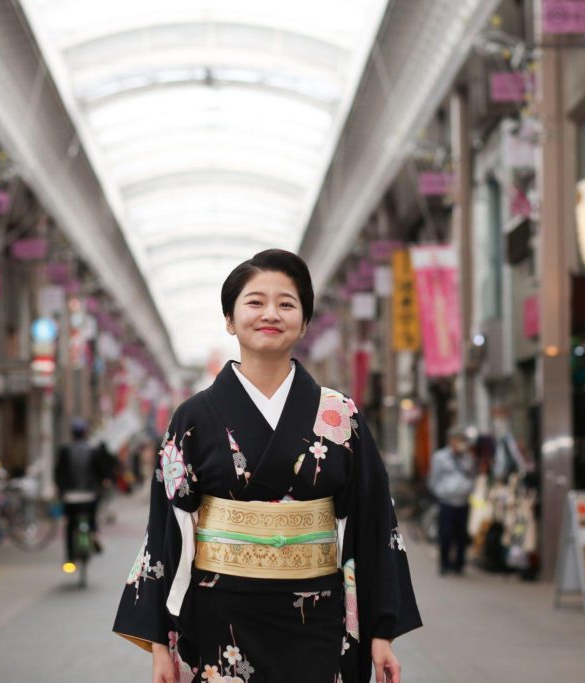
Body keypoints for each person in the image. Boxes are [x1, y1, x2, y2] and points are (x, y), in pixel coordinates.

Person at [113, 249, 421, 683]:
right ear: (229, 318)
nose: (270, 314)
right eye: (255, 302)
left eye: (287, 303)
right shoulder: (194, 417)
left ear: (305, 321)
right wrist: (161, 644)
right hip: (222, 618)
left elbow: (374, 522)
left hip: (318, 618)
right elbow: (164, 528)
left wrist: (381, 632)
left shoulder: (340, 415)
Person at [55, 418, 110, 566]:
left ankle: (70, 558)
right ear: (85, 433)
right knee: (92, 517)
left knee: (70, 525)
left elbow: (59, 473)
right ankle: (94, 535)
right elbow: (102, 473)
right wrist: (105, 481)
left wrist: (61, 490)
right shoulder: (93, 450)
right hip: (89, 496)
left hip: (70, 496)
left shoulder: (65, 451)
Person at [428, 426, 476, 576]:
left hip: (464, 501)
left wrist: (468, 490)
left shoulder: (469, 458)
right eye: (459, 440)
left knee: (462, 535)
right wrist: (442, 494)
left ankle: (459, 564)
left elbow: (472, 476)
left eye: (463, 440)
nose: (462, 443)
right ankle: (444, 564)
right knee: (446, 534)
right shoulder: (440, 457)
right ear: (451, 441)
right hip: (447, 501)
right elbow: (434, 479)